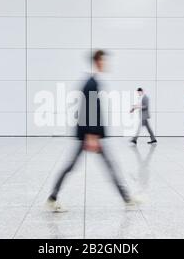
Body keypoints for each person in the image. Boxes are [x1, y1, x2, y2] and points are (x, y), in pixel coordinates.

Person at [47, 50, 135, 212]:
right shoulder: (92, 83)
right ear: (97, 61)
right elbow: (89, 109)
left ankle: (127, 198)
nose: (106, 64)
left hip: (90, 134)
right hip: (89, 135)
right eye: (104, 61)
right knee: (76, 166)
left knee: (106, 165)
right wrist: (91, 136)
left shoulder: (91, 81)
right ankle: (52, 198)